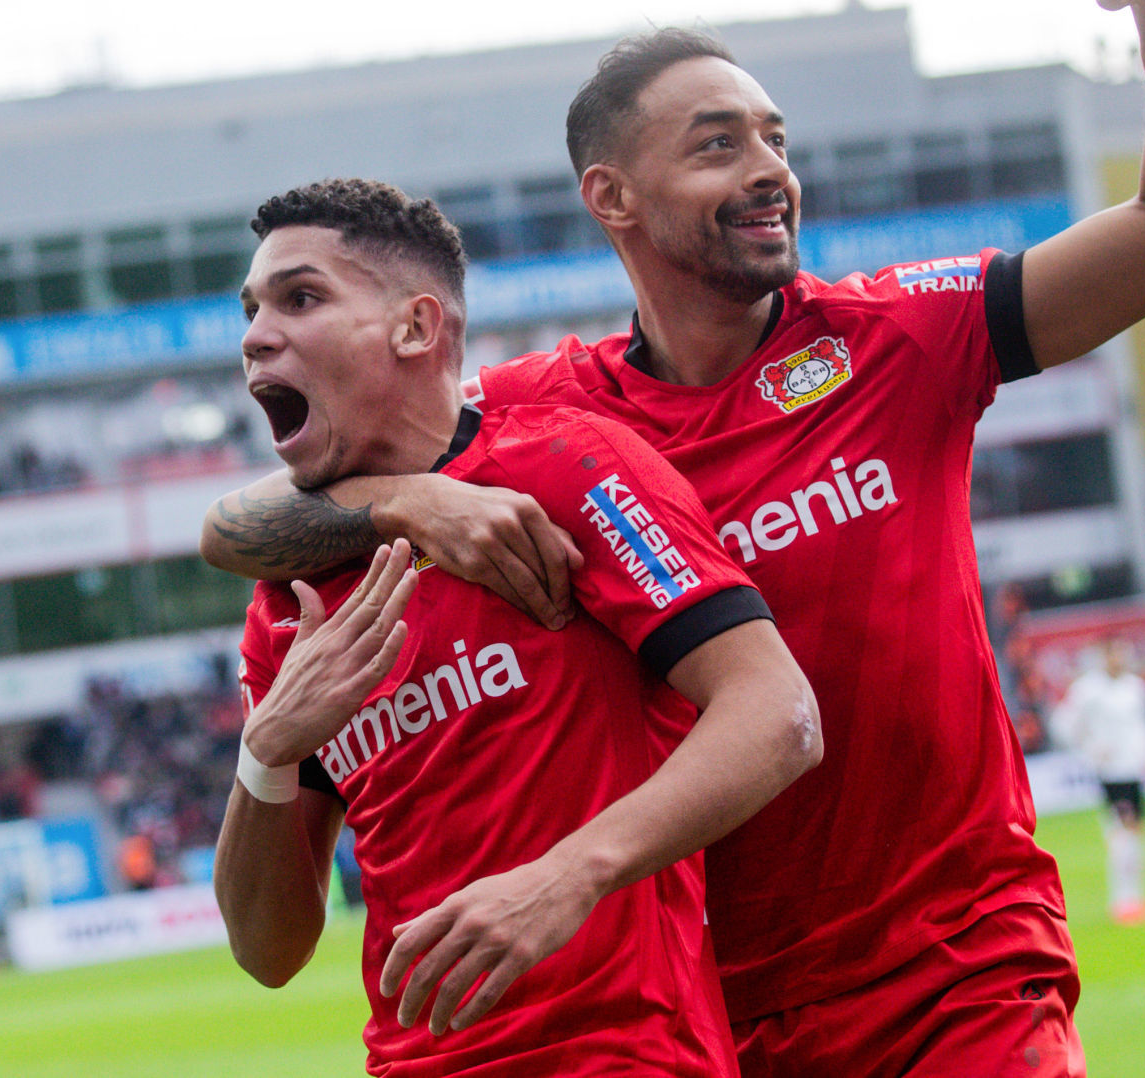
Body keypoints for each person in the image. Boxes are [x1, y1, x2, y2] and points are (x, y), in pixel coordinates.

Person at [202, 0, 1145, 1076]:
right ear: (614, 197)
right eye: (719, 145)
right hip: (717, 1004)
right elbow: (251, 519)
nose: (769, 169)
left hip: (953, 961)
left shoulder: (898, 337)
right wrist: (403, 499)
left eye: (776, 140)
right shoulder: (552, 413)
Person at [214, 179, 819, 1076]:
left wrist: (568, 876)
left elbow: (777, 714)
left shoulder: (563, 468)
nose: (256, 334)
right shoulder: (289, 595)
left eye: (301, 299)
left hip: (628, 1054)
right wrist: (264, 752)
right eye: (252, 308)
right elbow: (268, 953)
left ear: (416, 328)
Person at [1048, 640, 1145, 924]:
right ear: (1102, 657)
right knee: (1122, 832)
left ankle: (1135, 897)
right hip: (1111, 771)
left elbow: (1144, 723)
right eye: (1112, 654)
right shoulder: (1088, 690)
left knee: (1136, 831)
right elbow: (1063, 724)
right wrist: (1090, 751)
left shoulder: (1135, 687)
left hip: (1134, 769)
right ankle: (1123, 901)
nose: (1118, 659)